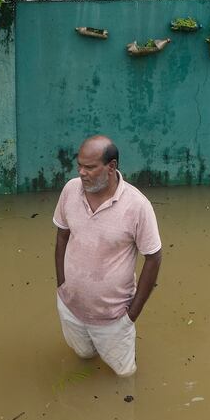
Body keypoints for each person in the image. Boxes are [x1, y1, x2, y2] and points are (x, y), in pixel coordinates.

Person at [52, 134, 162, 377]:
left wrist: (131, 314)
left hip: (114, 319)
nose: (81, 172)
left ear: (111, 167)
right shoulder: (70, 190)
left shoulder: (137, 206)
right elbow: (61, 237)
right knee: (83, 355)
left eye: (90, 167)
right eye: (79, 165)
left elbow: (153, 258)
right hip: (70, 307)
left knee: (124, 374)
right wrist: (61, 284)